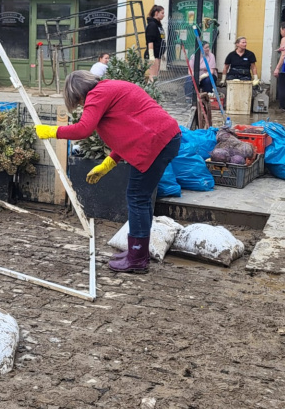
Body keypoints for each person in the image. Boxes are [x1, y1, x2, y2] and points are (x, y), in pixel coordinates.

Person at [34, 71, 181, 274]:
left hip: (155, 143)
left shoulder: (96, 95)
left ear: (77, 93)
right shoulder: (111, 88)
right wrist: (109, 162)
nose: (81, 105)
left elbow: (83, 129)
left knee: (137, 197)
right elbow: (130, 130)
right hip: (165, 138)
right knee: (142, 197)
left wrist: (52, 131)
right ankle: (137, 252)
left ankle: (137, 258)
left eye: (78, 101)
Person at [144, 5, 165, 81]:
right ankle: (150, 92)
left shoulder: (158, 25)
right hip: (153, 55)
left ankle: (152, 91)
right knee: (153, 77)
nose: (164, 15)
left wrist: (162, 54)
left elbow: (161, 39)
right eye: (162, 13)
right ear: (156, 13)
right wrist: (151, 56)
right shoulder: (152, 25)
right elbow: (150, 41)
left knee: (156, 76)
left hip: (158, 54)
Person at [273, 24, 285, 110]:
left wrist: (277, 68)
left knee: (282, 86)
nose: (280, 32)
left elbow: (283, 55)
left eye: (280, 30)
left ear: (284, 29)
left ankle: (282, 106)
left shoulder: (284, 39)